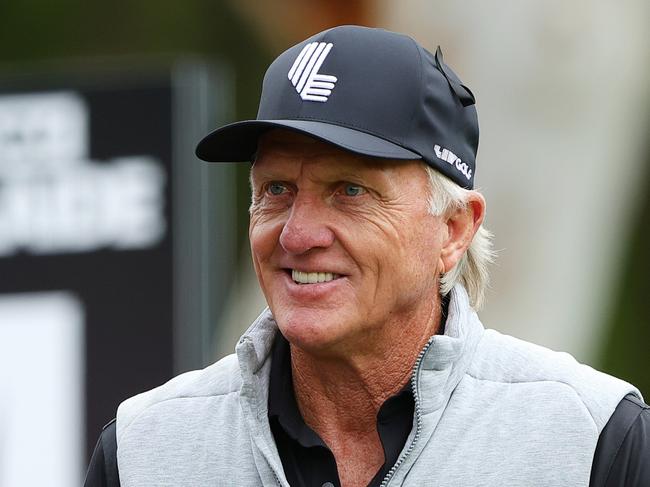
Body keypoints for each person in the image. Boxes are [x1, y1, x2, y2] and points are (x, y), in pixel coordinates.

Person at [85, 25, 649, 487]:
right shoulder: (144, 452)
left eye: (350, 191)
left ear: (453, 230)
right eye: (276, 190)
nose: (298, 235)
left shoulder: (592, 439)